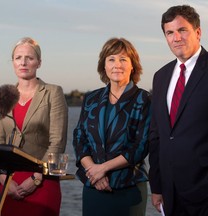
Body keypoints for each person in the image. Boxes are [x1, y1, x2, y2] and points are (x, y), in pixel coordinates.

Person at [73, 37, 151, 216]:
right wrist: (93, 170)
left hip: (128, 188)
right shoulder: (91, 98)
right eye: (111, 59)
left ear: (133, 66)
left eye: (123, 59)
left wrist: (102, 169)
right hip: (93, 185)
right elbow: (79, 137)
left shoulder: (144, 99)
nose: (117, 64)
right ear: (104, 66)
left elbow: (140, 146)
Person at [0, 37, 68, 216]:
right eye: (18, 58)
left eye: (30, 58)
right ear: (13, 62)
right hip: (9, 184)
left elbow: (57, 142)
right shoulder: (1, 96)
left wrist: (35, 179)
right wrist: (2, 177)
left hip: (43, 182)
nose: (23, 62)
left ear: (39, 63)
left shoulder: (53, 92)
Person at [149, 5, 208, 216]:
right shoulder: (161, 76)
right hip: (169, 192)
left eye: (182, 30)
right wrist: (156, 186)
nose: (176, 38)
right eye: (170, 32)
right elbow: (156, 135)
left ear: (198, 32)